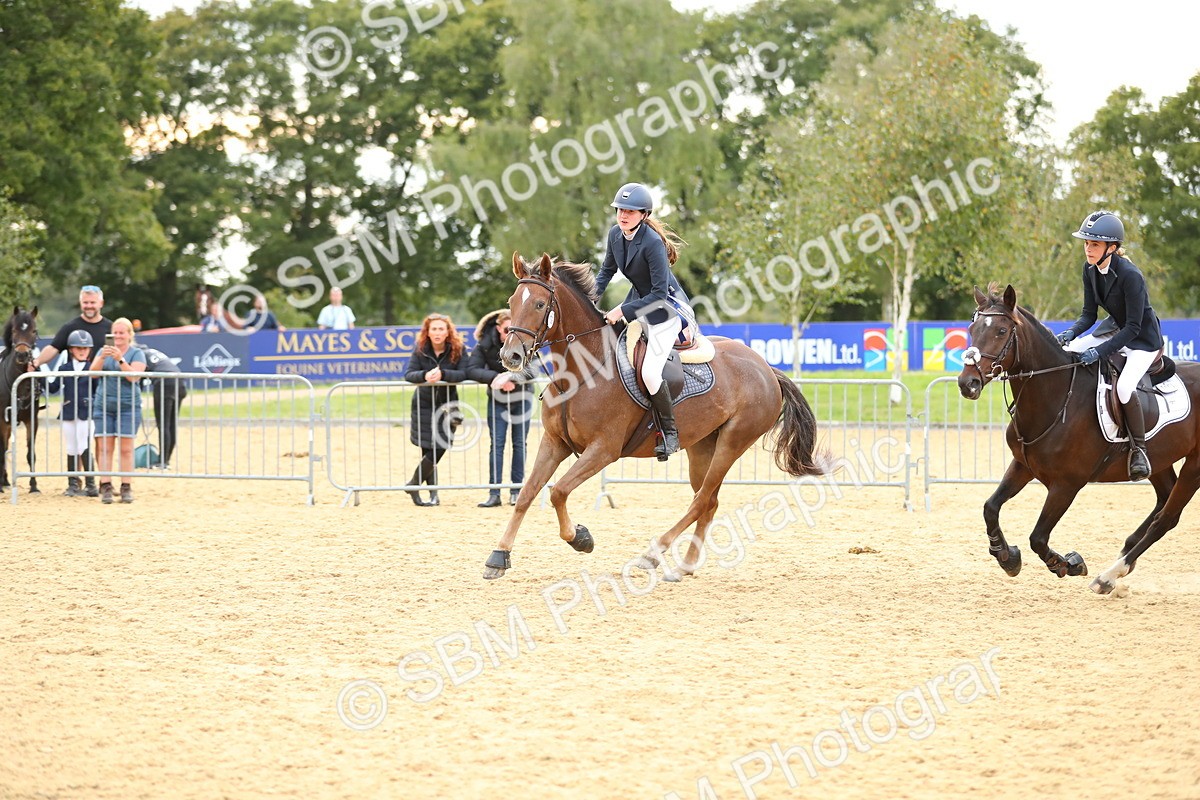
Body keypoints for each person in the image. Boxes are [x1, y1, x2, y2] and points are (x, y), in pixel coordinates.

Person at [1056, 210, 1162, 481]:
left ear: (1111, 248)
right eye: (1086, 243)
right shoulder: (1089, 269)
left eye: (1094, 244)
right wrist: (1070, 334)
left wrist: (1099, 351)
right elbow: (1089, 315)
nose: (1088, 249)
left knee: (1125, 387)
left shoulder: (1131, 276)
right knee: (1068, 353)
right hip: (1115, 329)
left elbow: (1133, 328)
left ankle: (1139, 450)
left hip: (1142, 341)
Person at [594, 181, 693, 460]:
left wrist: (622, 312)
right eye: (620, 210)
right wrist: (587, 298)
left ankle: (669, 433)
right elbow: (605, 273)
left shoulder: (652, 243)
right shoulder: (615, 235)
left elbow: (659, 294)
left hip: (667, 308)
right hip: (639, 299)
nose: (623, 215)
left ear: (644, 215)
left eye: (631, 211)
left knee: (650, 372)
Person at [465, 310, 534, 507]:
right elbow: (471, 369)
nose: (510, 333)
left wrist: (512, 376)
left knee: (519, 443)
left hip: (522, 399)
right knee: (497, 444)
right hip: (497, 400)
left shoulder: (526, 340)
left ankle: (516, 492)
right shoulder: (485, 344)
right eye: (506, 330)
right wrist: (495, 378)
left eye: (513, 328)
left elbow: (534, 369)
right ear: (498, 329)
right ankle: (494, 494)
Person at [403, 313, 466, 506]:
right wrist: (425, 375)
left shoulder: (458, 349)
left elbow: (465, 372)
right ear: (427, 332)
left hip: (448, 405)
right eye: (434, 329)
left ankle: (414, 483)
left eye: (441, 328)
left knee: (441, 445)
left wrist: (444, 374)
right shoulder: (420, 349)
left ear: (448, 332)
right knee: (428, 448)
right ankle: (433, 495)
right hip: (423, 404)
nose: (437, 332)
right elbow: (408, 374)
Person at [90, 317, 147, 503]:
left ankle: (126, 487)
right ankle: (106, 485)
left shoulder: (137, 353)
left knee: (126, 449)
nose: (118, 336)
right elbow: (93, 373)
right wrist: (102, 357)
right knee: (105, 448)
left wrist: (120, 359)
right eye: (115, 332)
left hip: (128, 407)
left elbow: (134, 377)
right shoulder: (103, 351)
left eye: (122, 332)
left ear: (130, 335)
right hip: (104, 406)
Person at [46, 330, 98, 497]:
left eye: (85, 348)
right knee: (71, 447)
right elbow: (53, 388)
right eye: (78, 348)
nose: (82, 351)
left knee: (83, 445)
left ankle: (91, 485)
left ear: (90, 350)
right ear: (71, 350)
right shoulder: (64, 368)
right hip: (68, 412)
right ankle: (73, 484)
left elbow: (98, 391)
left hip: (85, 412)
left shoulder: (93, 369)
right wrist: (38, 375)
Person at [33, 284, 111, 368]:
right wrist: (36, 362)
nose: (89, 306)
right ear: (80, 303)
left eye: (92, 302)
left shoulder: (111, 328)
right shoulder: (70, 327)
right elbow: (53, 348)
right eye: (85, 302)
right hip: (76, 380)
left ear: (101, 303)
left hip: (102, 379)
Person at [141, 346, 188, 469]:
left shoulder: (138, 355)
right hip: (179, 381)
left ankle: (162, 461)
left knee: (163, 424)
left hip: (164, 383)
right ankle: (166, 460)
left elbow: (138, 376)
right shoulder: (153, 352)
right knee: (171, 425)